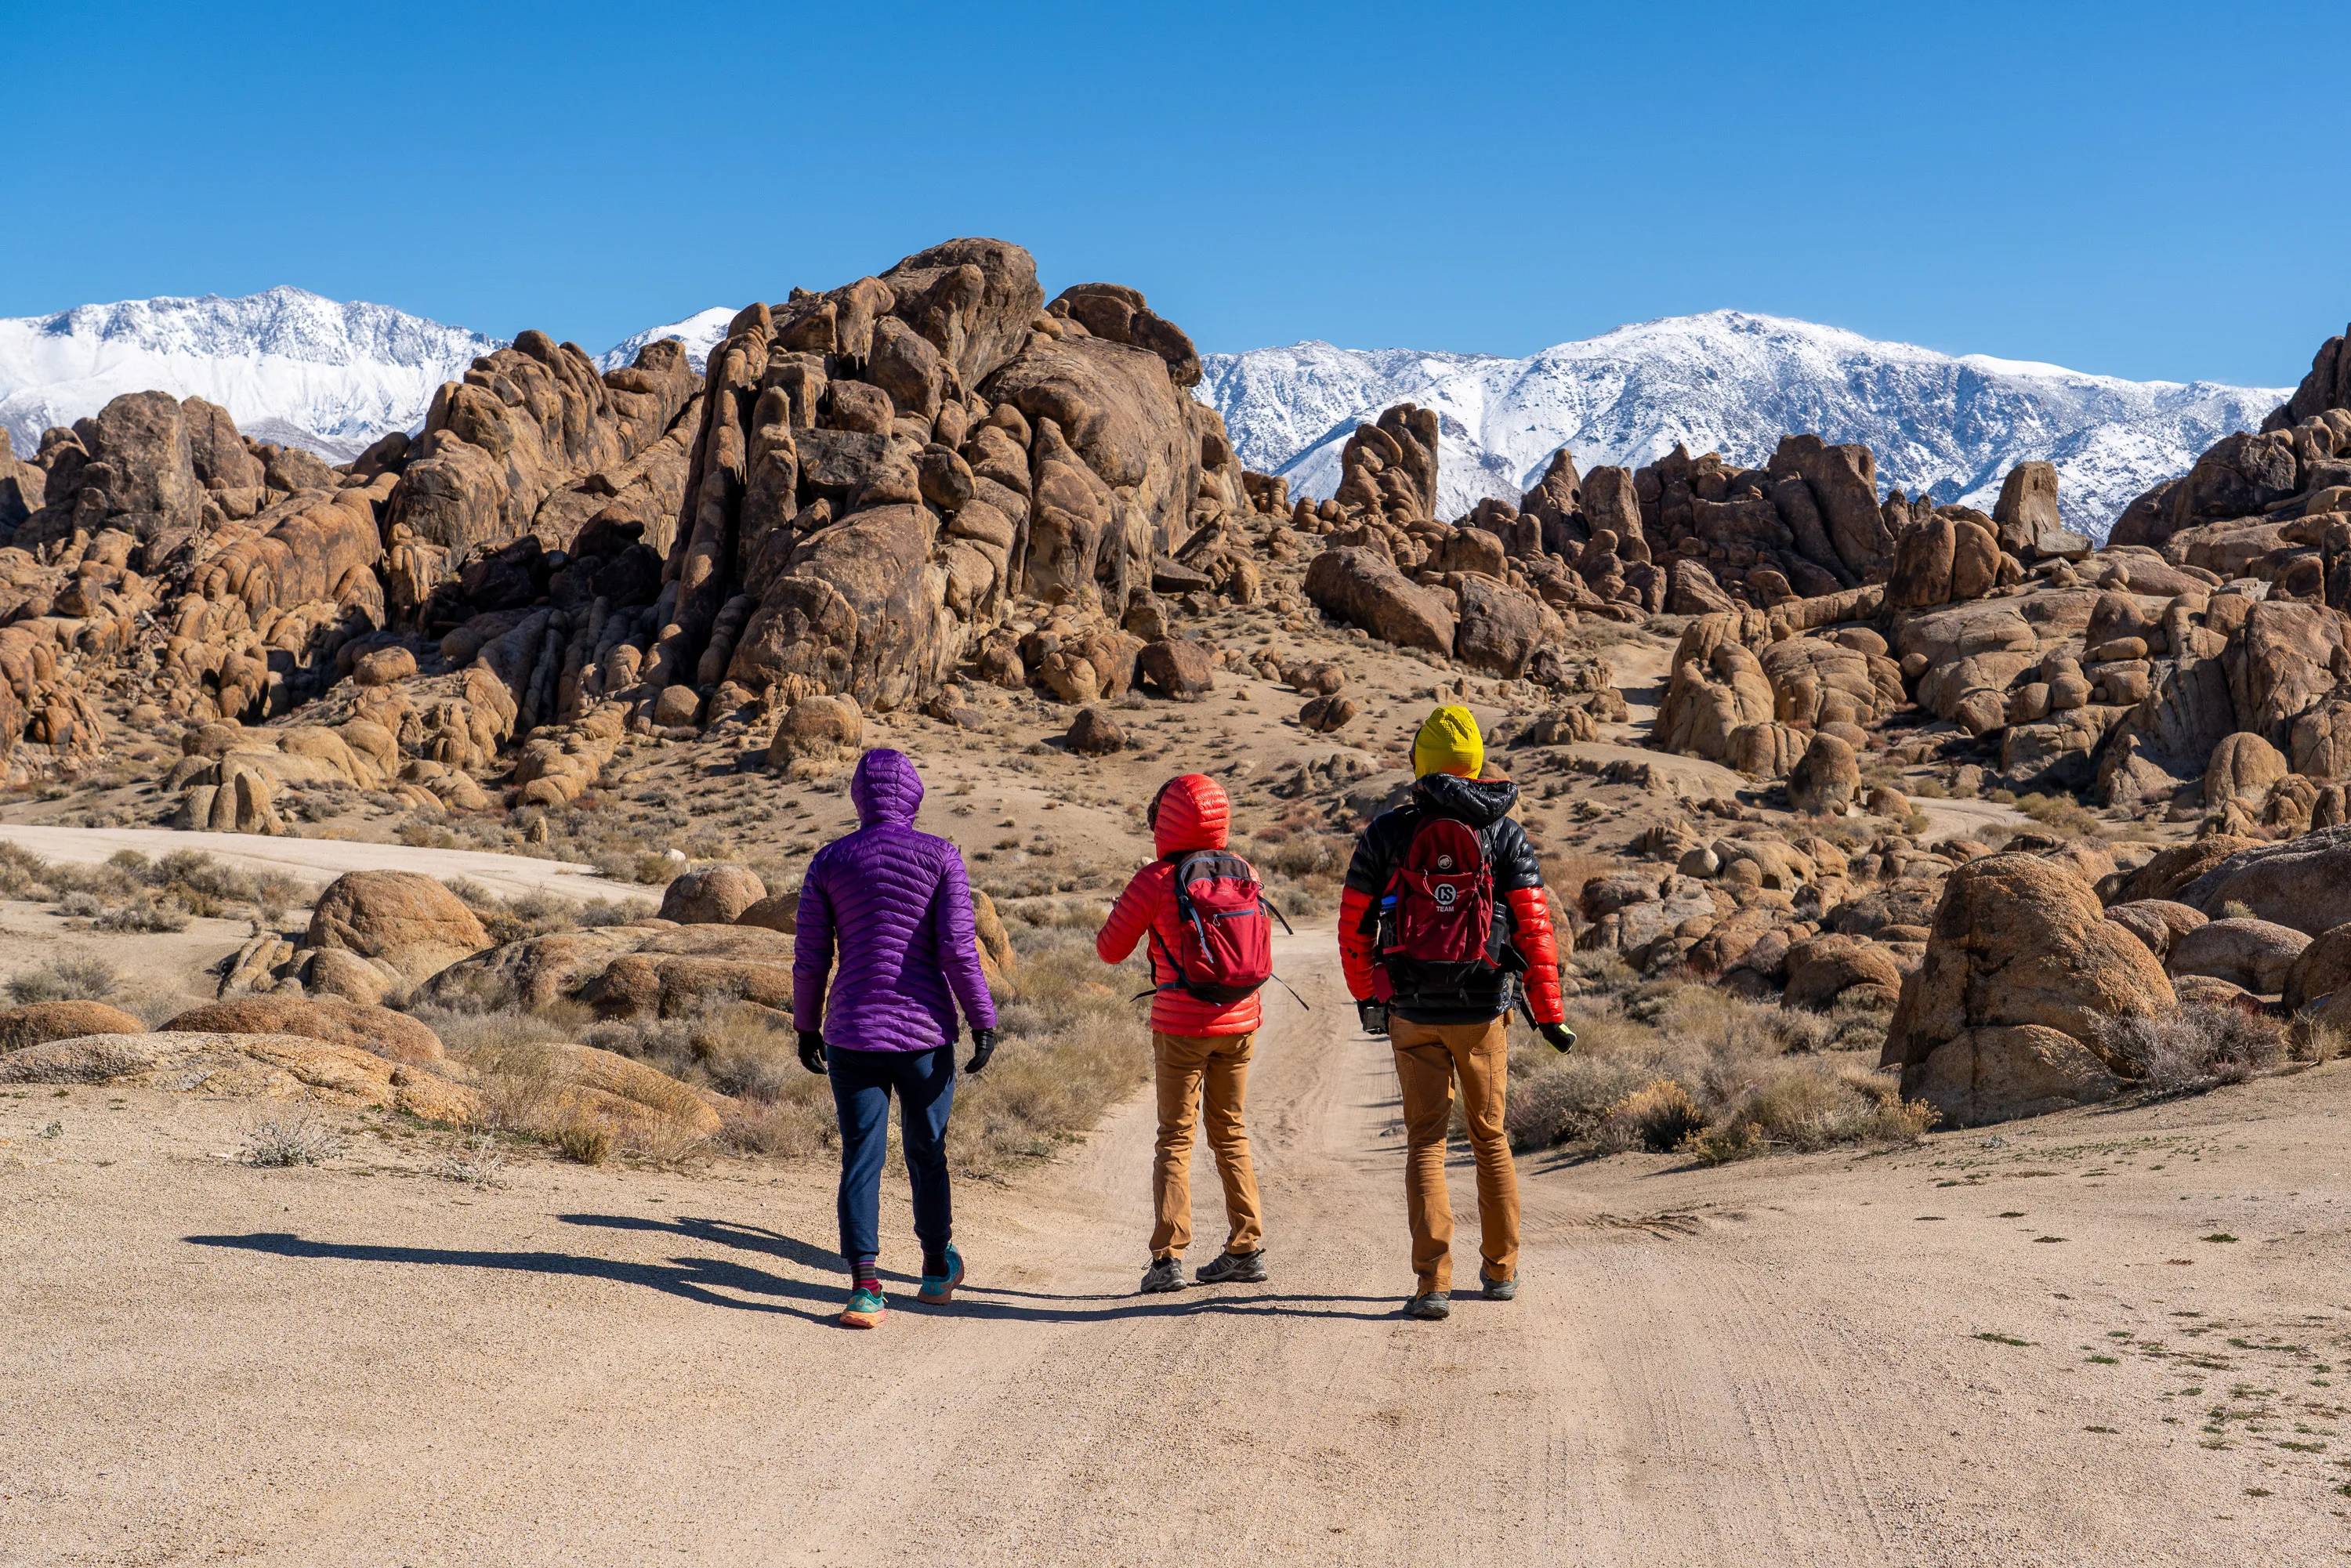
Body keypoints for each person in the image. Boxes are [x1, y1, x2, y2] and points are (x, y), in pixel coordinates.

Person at [1339, 705, 1574, 1321]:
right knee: (1490, 1139)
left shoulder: (1387, 832)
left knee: (1425, 1144)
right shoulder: (1506, 833)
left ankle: (1431, 1284)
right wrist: (1549, 1013)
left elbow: (1353, 927)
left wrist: (1369, 996)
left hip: (1412, 1011)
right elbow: (1537, 930)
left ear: (1421, 760)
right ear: (1474, 761)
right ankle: (1500, 1270)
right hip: (1484, 1009)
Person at [793, 747, 998, 1330]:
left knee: (862, 1154)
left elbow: (811, 957)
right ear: (914, 794)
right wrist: (981, 1019)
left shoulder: (830, 860)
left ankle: (865, 1288)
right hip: (926, 1034)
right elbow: (958, 949)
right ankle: (936, 1271)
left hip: (853, 1032)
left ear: (859, 796)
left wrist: (806, 1023)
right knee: (926, 1151)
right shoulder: (941, 856)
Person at [1096, 773, 1269, 1295]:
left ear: (1165, 821)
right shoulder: (1245, 870)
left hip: (1180, 1024)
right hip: (1240, 1020)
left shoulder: (1155, 880)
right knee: (1230, 1130)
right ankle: (1246, 1245)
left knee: (1176, 1136)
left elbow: (1109, 948)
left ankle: (1169, 1256)